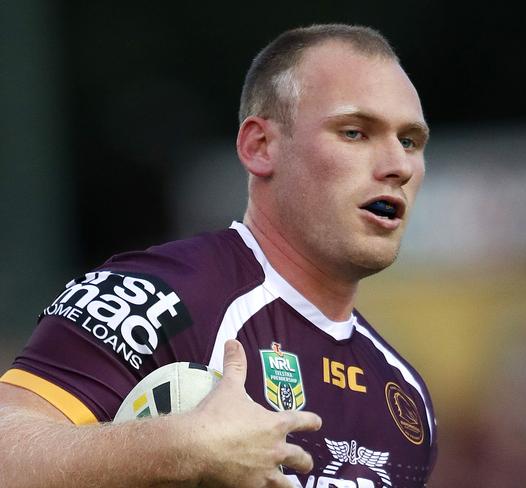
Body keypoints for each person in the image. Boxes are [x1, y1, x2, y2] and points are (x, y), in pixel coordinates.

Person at [0, 24, 437, 487]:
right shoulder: (158, 297)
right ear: (259, 147)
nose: (399, 166)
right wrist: (173, 450)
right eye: (355, 132)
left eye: (409, 141)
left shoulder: (405, 399)